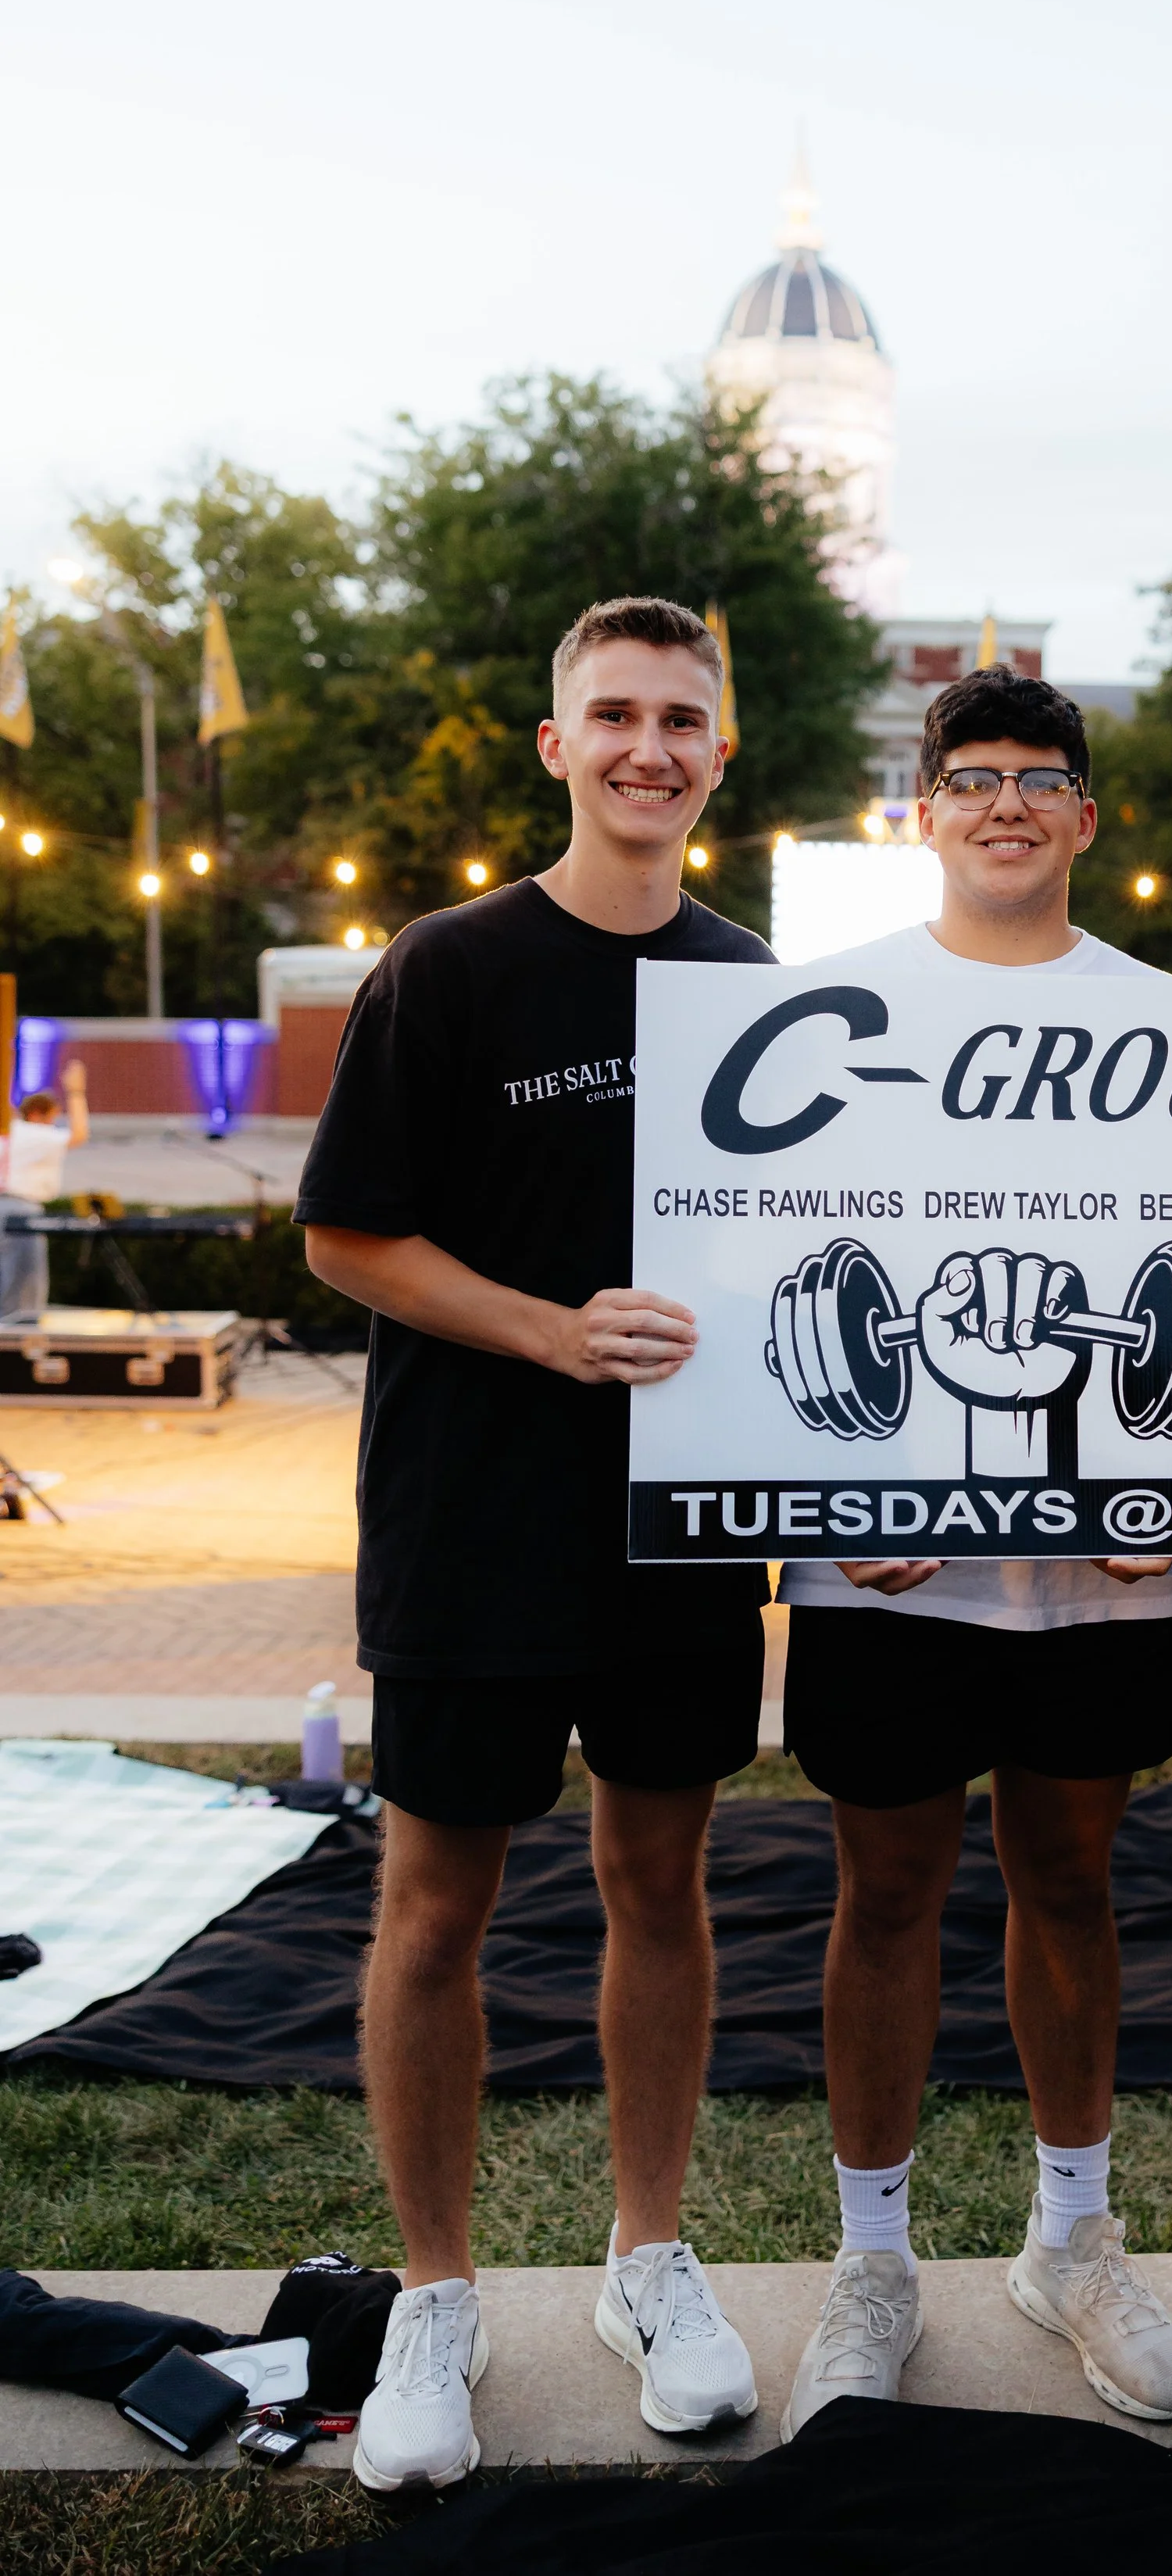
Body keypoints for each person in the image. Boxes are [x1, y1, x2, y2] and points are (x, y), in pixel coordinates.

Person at [295, 597, 775, 2491]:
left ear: (718, 756)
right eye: (616, 715)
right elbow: (346, 1236)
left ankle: (646, 2252)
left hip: (675, 1537)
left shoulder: (759, 988)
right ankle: (435, 2288)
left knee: (663, 1886)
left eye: (682, 718)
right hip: (470, 1517)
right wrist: (555, 1327)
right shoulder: (451, 966)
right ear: (558, 742)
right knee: (439, 1907)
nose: (649, 745)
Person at [775, 665, 1172, 2441]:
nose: (1008, 801)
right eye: (975, 775)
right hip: (889, 1561)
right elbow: (767, 1268)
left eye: (1043, 776)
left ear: (1089, 814)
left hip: (1096, 1566)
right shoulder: (826, 1016)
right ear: (923, 810)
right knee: (882, 1890)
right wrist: (821, 1486)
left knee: (1072, 1879)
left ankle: (1070, 2234)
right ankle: (872, 2253)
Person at [0, 1061, 89, 1321]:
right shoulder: (34, 1133)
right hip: (20, 1209)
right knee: (25, 1288)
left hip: (6, 1205)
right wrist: (76, 1093)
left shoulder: (12, 1131)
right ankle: (18, 1348)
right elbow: (79, 1135)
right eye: (52, 1118)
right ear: (39, 1115)